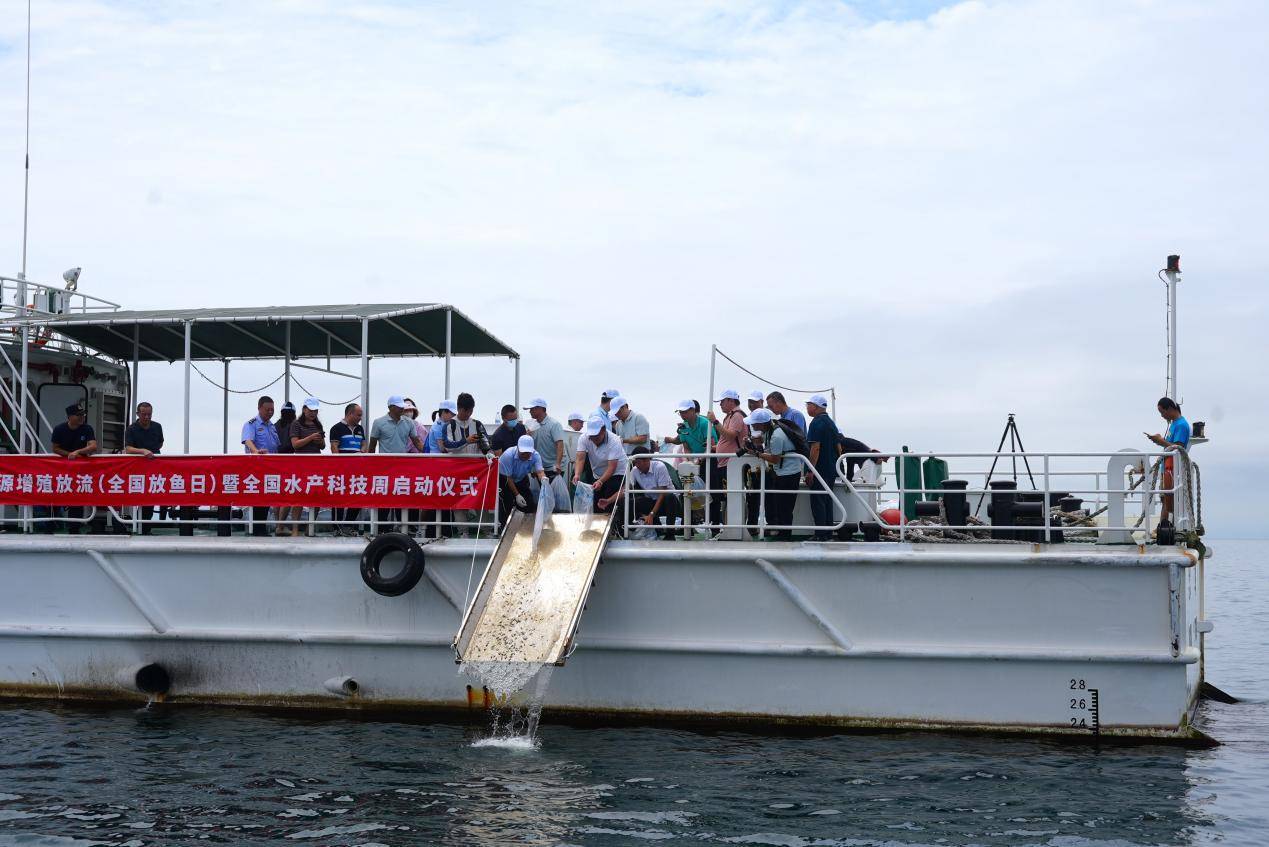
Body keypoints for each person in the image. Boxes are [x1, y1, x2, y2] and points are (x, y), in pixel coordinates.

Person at [369, 395, 424, 532]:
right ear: (390, 407)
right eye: (399, 407)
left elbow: (416, 442)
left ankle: (405, 527)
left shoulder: (409, 423)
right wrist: (370, 464)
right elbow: (372, 445)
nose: (402, 409)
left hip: (402, 466)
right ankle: (381, 528)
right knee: (385, 497)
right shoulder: (378, 422)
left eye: (402, 407)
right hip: (384, 467)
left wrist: (429, 455)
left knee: (402, 496)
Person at [745, 408, 801, 540]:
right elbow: (763, 442)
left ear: (760, 424)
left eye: (753, 423)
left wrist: (756, 454)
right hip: (784, 472)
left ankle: (785, 537)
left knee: (785, 507)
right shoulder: (772, 430)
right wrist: (752, 442)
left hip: (788, 474)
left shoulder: (776, 436)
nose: (752, 425)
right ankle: (783, 535)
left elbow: (775, 459)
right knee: (781, 506)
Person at [43, 403, 98, 533]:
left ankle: (74, 527)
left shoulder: (87, 428)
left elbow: (93, 446)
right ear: (70, 417)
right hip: (61, 469)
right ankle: (50, 525)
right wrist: (69, 455)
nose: (82, 417)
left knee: (77, 496)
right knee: (55, 495)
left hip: (80, 470)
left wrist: (77, 452)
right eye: (78, 415)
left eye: (83, 414)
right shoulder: (59, 429)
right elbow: (55, 448)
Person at [664, 399, 715, 526]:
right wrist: (689, 460)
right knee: (688, 493)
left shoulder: (705, 423)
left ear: (693, 411)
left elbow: (712, 445)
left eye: (685, 412)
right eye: (680, 412)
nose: (682, 415)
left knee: (712, 494)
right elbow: (686, 446)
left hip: (710, 462)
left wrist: (699, 460)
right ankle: (689, 525)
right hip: (692, 464)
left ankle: (713, 524)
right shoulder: (683, 427)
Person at [279, 399, 326, 536]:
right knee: (297, 497)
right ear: (304, 409)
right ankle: (294, 530)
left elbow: (322, 446)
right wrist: (311, 437)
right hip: (300, 464)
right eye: (310, 410)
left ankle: (309, 529)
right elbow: (295, 445)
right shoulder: (296, 424)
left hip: (315, 464)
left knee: (316, 497)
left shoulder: (318, 425)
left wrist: (320, 441)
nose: (313, 413)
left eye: (315, 410)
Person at [618, 447, 681, 538]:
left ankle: (670, 534)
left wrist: (651, 514)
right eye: (635, 463)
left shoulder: (660, 467)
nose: (636, 465)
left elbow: (662, 493)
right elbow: (625, 490)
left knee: (669, 496)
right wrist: (608, 500)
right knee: (625, 501)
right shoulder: (635, 470)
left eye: (638, 462)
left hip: (669, 503)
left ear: (647, 460)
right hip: (652, 501)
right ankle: (630, 532)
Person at [1147, 396, 1192, 525]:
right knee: (1164, 499)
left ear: (1170, 409)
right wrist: (1160, 439)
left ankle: (1164, 526)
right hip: (1166, 466)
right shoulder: (1174, 424)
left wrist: (1160, 441)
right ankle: (1162, 526)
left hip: (1172, 468)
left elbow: (1177, 447)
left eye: (1162, 412)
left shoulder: (1181, 425)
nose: (1162, 416)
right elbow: (1170, 444)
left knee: (1168, 499)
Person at [241, 395, 280, 536]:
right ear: (259, 408)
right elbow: (247, 440)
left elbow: (276, 445)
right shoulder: (251, 424)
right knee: (258, 498)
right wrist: (256, 451)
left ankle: (262, 528)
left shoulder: (272, 426)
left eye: (272, 410)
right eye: (267, 409)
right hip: (256, 468)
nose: (270, 412)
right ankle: (258, 530)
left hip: (271, 467)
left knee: (268, 497)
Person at [574, 415, 626, 518]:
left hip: (617, 472)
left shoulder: (614, 440)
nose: (593, 440)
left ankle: (613, 527)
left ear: (603, 430)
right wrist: (577, 474)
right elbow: (580, 459)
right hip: (598, 473)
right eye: (591, 437)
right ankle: (598, 527)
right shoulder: (583, 438)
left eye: (596, 437)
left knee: (610, 499)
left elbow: (612, 467)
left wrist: (600, 481)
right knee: (597, 502)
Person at [804, 394, 840, 541]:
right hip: (831, 468)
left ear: (817, 407)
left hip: (820, 469)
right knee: (827, 500)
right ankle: (828, 532)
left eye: (809, 405)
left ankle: (820, 534)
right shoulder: (831, 423)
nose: (807, 407)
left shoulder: (816, 423)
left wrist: (811, 470)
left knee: (818, 501)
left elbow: (815, 448)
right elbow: (838, 447)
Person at [124, 402, 164, 533]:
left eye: (149, 414)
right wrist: (142, 451)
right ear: (138, 414)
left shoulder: (157, 427)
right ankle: (136, 526)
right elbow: (128, 448)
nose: (147, 417)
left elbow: (160, 442)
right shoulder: (131, 429)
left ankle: (146, 528)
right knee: (138, 496)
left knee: (151, 496)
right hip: (136, 469)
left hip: (154, 467)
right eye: (144, 414)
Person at [329, 403, 365, 536]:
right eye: (358, 415)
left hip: (357, 470)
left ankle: (348, 525)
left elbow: (363, 443)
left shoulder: (360, 428)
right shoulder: (336, 428)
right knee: (339, 497)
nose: (360, 418)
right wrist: (340, 464)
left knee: (358, 496)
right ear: (350, 414)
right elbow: (334, 447)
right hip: (342, 469)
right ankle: (336, 527)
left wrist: (362, 452)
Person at [498, 434, 547, 529]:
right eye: (523, 452)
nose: (525, 455)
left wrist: (544, 480)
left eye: (528, 452)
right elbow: (509, 478)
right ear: (518, 448)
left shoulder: (535, 455)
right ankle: (504, 529)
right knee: (507, 505)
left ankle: (528, 528)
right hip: (505, 479)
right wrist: (517, 495)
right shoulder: (508, 455)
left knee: (529, 504)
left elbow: (540, 471)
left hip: (521, 478)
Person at [525, 399, 565, 479]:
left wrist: (557, 464)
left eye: (532, 409)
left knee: (553, 491)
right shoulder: (531, 425)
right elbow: (531, 447)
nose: (530, 412)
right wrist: (533, 467)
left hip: (553, 467)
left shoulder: (554, 424)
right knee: (543, 491)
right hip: (540, 467)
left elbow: (560, 445)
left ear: (540, 409)